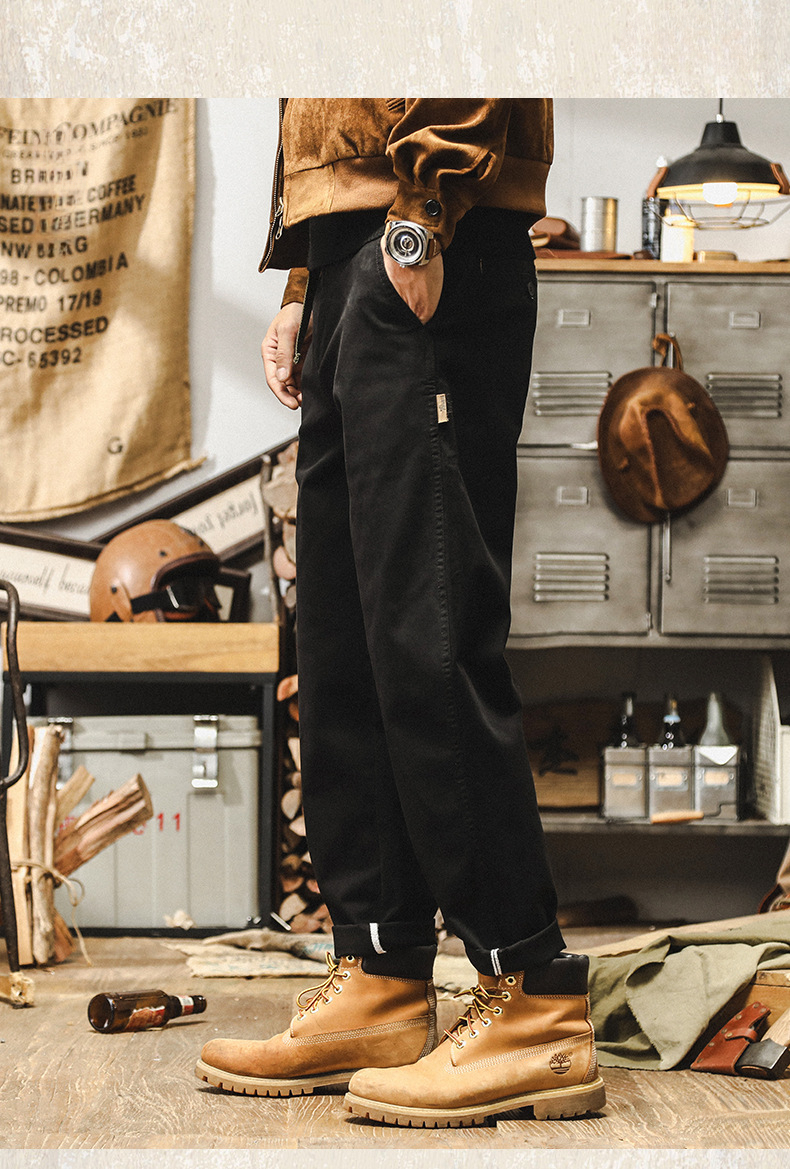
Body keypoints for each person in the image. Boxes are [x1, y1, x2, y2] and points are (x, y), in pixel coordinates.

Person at [196, 99, 605, 1128]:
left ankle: (530, 992)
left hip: (431, 230)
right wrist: (306, 282)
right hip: (350, 248)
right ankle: (379, 972)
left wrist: (421, 215)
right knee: (344, 643)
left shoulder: (425, 218)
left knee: (430, 633)